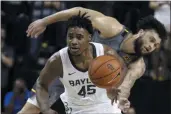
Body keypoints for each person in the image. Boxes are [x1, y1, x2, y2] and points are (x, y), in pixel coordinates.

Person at [24, 7, 167, 113]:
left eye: (155, 45)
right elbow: (77, 11)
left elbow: (126, 85)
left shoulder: (138, 65)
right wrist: (44, 21)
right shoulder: (112, 29)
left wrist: (122, 98)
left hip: (93, 88)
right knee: (30, 110)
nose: (151, 46)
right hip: (70, 70)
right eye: (151, 40)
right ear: (141, 32)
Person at [30, 13, 127, 114]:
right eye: (70, 37)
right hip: (77, 110)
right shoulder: (57, 60)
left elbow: (123, 67)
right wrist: (45, 109)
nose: (73, 41)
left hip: (106, 106)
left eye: (79, 37)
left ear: (89, 38)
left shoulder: (105, 53)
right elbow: (41, 84)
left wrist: (115, 86)